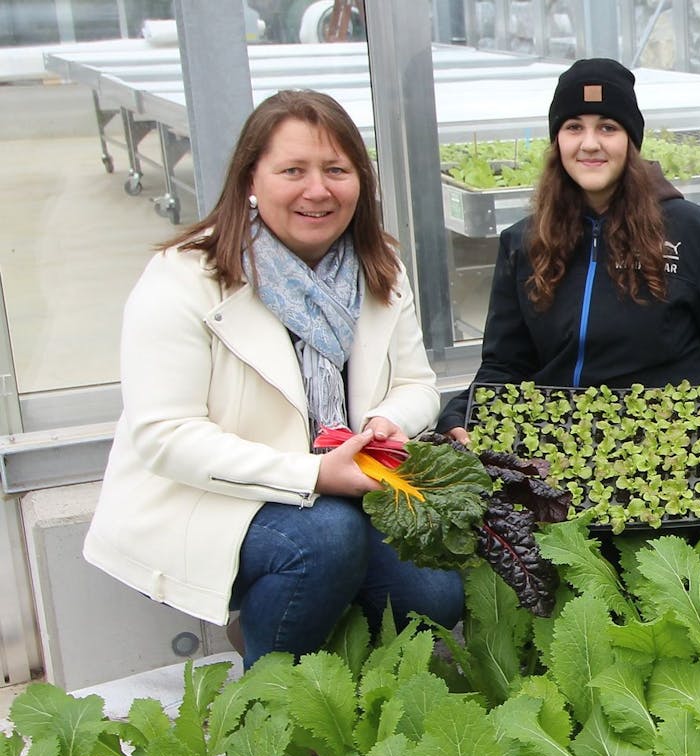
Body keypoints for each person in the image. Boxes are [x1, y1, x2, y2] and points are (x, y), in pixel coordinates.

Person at [83, 90, 463, 668]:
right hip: (211, 499)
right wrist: (312, 473)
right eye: (293, 171)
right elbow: (165, 435)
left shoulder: (378, 264)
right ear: (250, 181)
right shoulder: (184, 277)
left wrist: (387, 423)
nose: (318, 190)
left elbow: (415, 383)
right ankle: (273, 690)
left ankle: (330, 643)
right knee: (326, 539)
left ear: (360, 181)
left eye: (337, 170)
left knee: (437, 596)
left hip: (345, 482)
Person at [438, 58, 700, 475]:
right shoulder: (524, 242)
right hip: (555, 450)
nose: (590, 143)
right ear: (557, 140)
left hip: (667, 451)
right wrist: (465, 413)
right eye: (574, 126)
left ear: (631, 141)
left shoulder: (689, 229)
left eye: (608, 127)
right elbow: (506, 364)